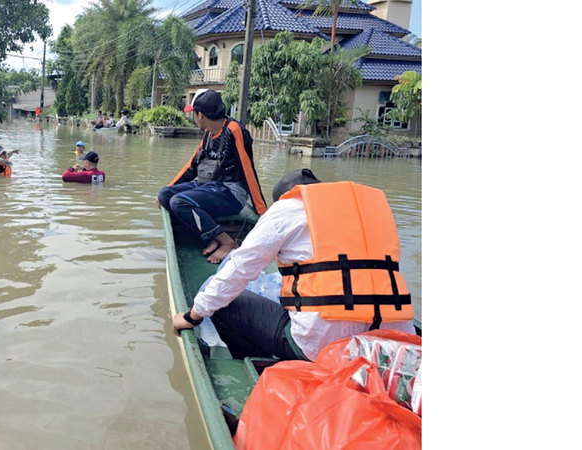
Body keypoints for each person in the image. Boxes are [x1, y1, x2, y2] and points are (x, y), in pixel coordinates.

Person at [172, 169, 417, 361]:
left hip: (321, 349)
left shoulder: (286, 208)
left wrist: (193, 315)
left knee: (224, 305)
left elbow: (239, 269)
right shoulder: (367, 213)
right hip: (391, 344)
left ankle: (261, 362)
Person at [157, 88, 266, 264]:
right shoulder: (209, 133)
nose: (193, 117)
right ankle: (213, 235)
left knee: (179, 202)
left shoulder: (234, 130)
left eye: (193, 114)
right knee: (165, 195)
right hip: (209, 187)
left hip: (231, 192)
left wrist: (262, 213)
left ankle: (226, 242)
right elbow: (191, 167)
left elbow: (248, 172)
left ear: (200, 115)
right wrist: (169, 188)